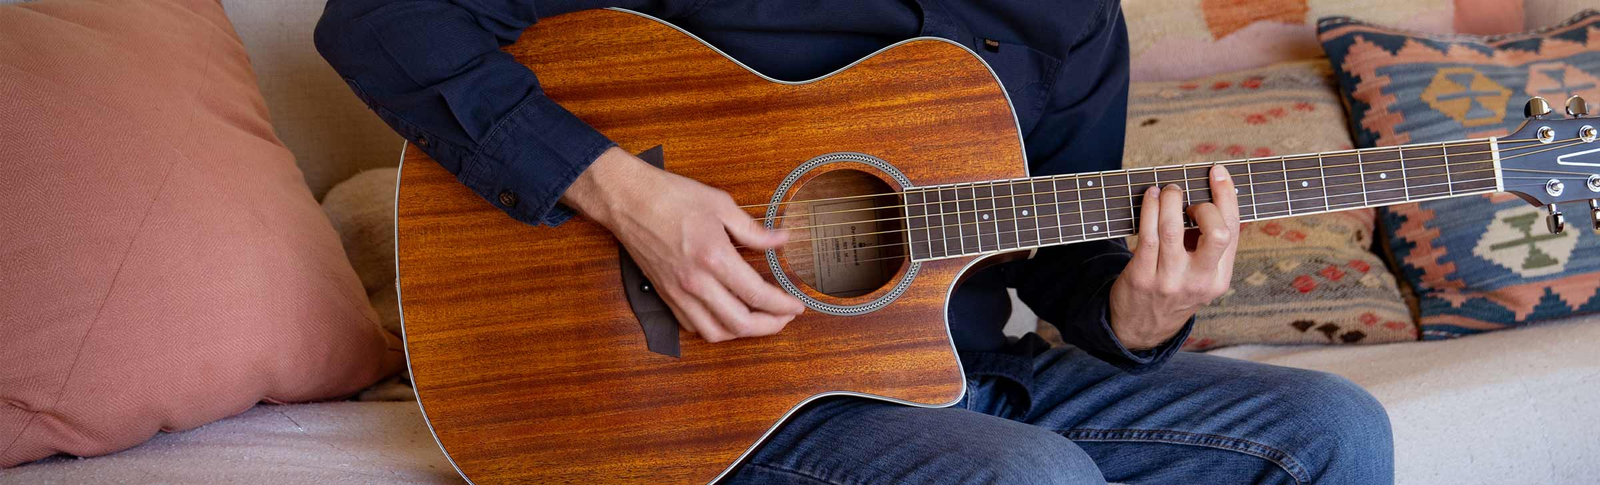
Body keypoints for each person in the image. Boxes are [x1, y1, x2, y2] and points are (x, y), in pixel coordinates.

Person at [315, 1, 1394, 483]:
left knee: (1331, 426)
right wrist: (628, 196)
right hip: (731, 398)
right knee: (1033, 479)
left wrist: (1141, 311)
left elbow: (1060, 254)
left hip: (960, 370)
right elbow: (377, 19)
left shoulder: (1068, 16)